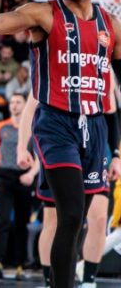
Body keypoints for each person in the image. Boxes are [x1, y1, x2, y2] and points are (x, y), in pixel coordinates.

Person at [0, 0, 121, 288]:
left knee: (83, 218)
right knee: (70, 214)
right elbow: (0, 23)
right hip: (55, 124)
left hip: (95, 126)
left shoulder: (111, 24)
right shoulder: (44, 13)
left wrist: (118, 149)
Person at [18, 95, 120, 288]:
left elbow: (112, 113)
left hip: (95, 148)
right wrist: (22, 147)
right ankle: (51, 280)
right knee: (57, 220)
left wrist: (116, 154)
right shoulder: (53, 68)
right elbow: (31, 106)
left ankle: (88, 280)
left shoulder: (104, 69)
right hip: (60, 142)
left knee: (96, 220)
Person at [0, 92, 38, 280]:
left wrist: (32, 174)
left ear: (25, 105)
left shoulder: (33, 126)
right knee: (3, 220)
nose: (14, 105)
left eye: (18, 102)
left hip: (24, 177)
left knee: (22, 223)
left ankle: (19, 265)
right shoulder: (1, 126)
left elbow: (40, 153)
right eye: (12, 102)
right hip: (5, 175)